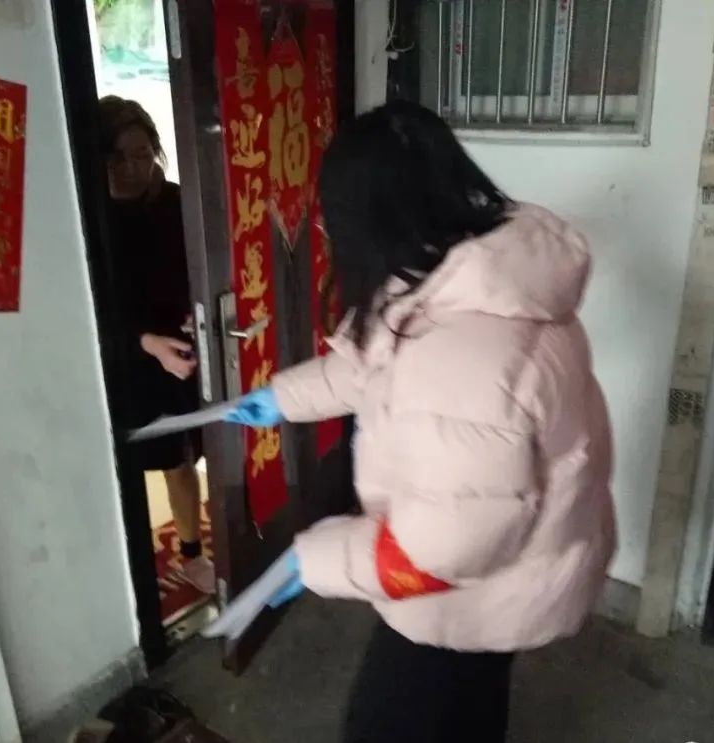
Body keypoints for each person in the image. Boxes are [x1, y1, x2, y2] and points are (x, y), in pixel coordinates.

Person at [227, 101, 616, 742]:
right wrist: (284, 397)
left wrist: (315, 559)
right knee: (471, 708)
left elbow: (447, 547)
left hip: (464, 589)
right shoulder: (475, 275)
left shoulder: (462, 359)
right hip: (513, 573)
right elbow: (387, 361)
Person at [99, 96, 214, 596]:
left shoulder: (175, 202)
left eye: (142, 154)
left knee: (179, 458)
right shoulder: (88, 214)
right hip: (121, 354)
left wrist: (197, 310)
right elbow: (91, 302)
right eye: (117, 158)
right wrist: (146, 342)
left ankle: (191, 553)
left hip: (181, 351)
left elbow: (204, 266)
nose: (132, 168)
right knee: (117, 463)